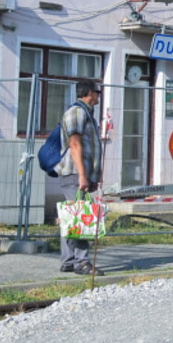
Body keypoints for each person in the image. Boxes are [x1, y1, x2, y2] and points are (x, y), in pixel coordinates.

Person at [57, 79, 104, 273]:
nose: (99, 96)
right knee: (82, 216)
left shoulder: (87, 114)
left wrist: (92, 175)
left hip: (80, 174)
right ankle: (81, 262)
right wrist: (83, 176)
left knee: (71, 216)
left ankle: (68, 261)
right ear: (89, 93)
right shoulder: (77, 112)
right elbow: (75, 144)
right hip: (75, 173)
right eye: (97, 92)